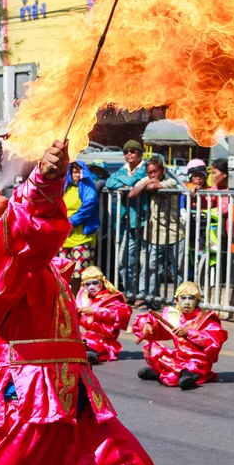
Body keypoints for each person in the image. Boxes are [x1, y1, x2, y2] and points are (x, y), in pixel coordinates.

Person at [0, 138, 161, 465]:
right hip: (22, 406)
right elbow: (24, 231)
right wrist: (42, 180)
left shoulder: (3, 243)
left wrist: (47, 181)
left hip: (74, 403)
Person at [133, 281, 228, 390]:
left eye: (191, 298)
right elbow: (155, 326)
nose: (187, 302)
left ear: (198, 301)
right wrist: (147, 325)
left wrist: (190, 332)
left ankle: (171, 372)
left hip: (197, 362)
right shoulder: (175, 316)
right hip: (180, 359)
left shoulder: (205, 319)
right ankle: (169, 372)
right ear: (176, 300)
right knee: (152, 347)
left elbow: (215, 340)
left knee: (172, 379)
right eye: (183, 298)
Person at [129, 157, 184, 301]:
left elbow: (154, 187)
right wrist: (147, 182)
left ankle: (180, 301)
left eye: (155, 172)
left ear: (162, 170)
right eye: (150, 173)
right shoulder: (148, 180)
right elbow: (132, 193)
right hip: (154, 234)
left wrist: (148, 185)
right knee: (151, 267)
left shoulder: (170, 181)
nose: (153, 175)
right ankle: (151, 299)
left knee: (179, 268)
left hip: (174, 232)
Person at [105, 140, 146, 296]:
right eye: (126, 151)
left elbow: (129, 181)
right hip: (129, 222)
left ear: (140, 153)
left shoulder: (144, 169)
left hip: (144, 222)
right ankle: (130, 292)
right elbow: (109, 182)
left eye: (133, 151)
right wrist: (126, 184)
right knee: (124, 261)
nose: (129, 154)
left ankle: (141, 294)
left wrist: (125, 182)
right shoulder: (124, 170)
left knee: (144, 261)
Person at [76, 266, 132, 362]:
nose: (91, 287)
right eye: (88, 284)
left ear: (102, 282)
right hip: (88, 336)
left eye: (95, 283)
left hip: (104, 341)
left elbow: (121, 314)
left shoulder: (111, 298)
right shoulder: (86, 300)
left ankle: (88, 354)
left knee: (86, 346)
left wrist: (95, 311)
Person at [60, 161, 100, 296]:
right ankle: (67, 301)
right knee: (64, 272)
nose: (77, 174)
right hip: (64, 238)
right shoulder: (65, 187)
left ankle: (79, 300)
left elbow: (89, 205)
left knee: (80, 273)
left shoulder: (88, 187)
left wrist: (71, 222)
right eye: (74, 171)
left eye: (79, 171)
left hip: (82, 237)